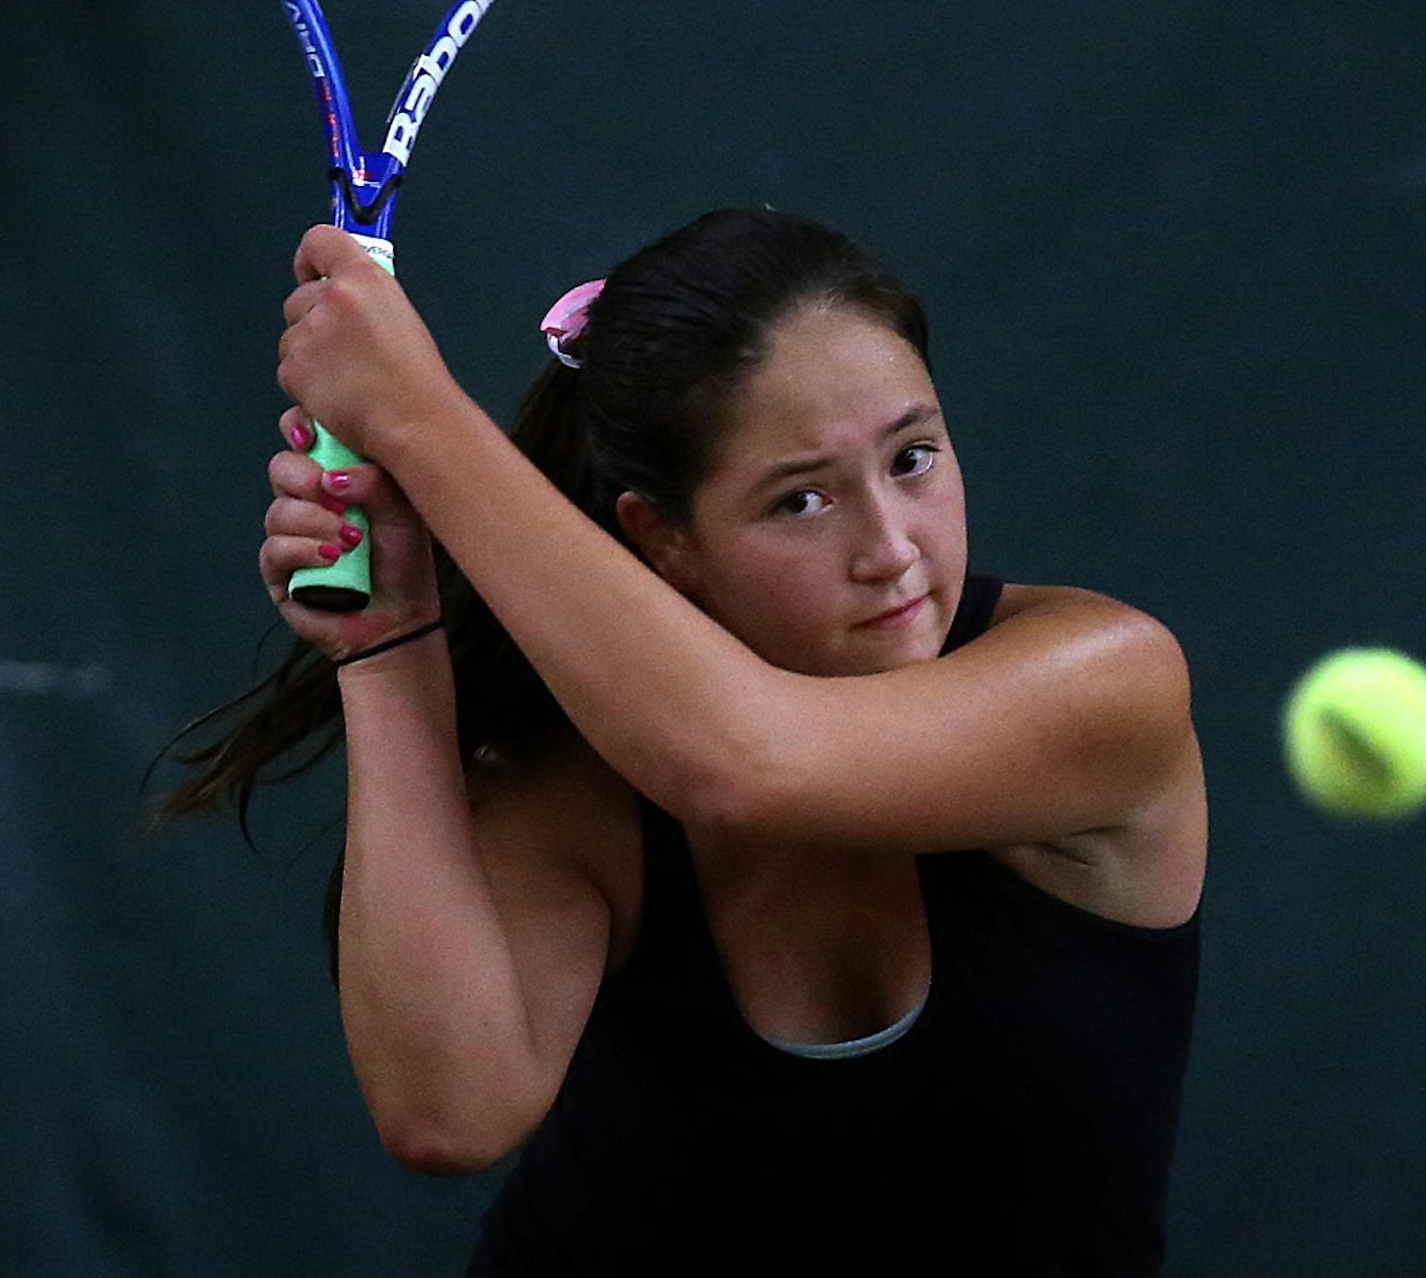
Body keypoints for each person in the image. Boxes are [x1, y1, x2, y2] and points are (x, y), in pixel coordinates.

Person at [151, 207, 1206, 1274]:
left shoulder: (1106, 682)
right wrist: (388, 650)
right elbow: (448, 1111)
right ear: (665, 541)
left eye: (914, 457)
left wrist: (415, 416)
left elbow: (750, 761)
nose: (891, 548)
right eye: (801, 499)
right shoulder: (589, 779)